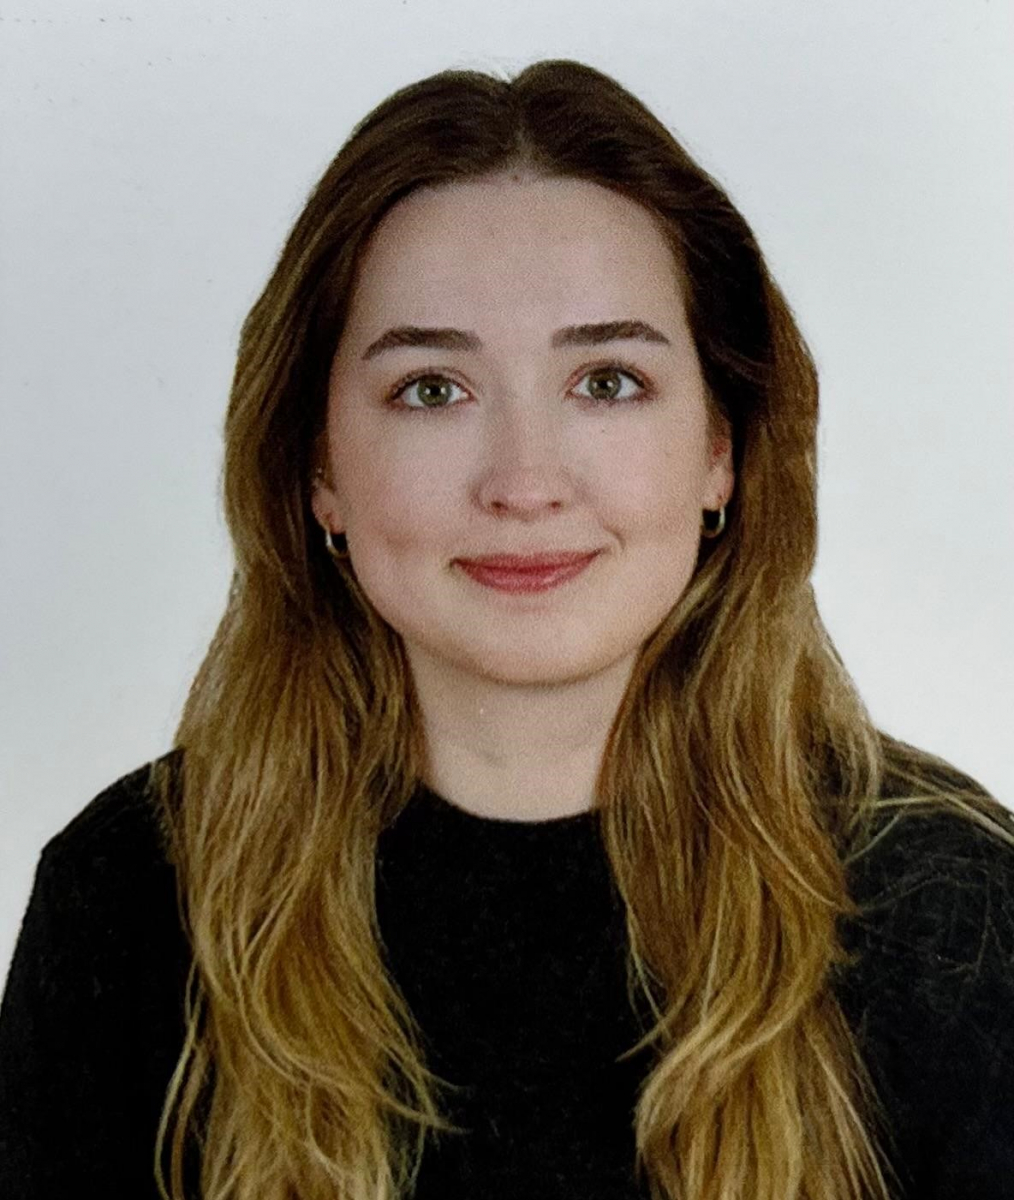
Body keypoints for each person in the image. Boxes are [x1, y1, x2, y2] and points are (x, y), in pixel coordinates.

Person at [1, 58, 1012, 1200]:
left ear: (722, 449)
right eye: (433, 389)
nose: (525, 484)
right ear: (319, 467)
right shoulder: (132, 900)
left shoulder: (951, 906)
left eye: (608, 381)